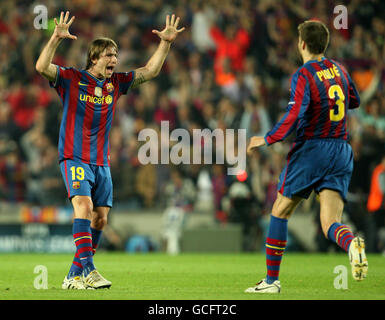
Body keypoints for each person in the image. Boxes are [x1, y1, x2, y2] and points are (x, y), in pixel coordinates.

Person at [35, 11, 185, 289]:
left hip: (100, 162)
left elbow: (150, 71)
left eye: (115, 54)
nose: (114, 59)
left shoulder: (116, 84)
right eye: (108, 54)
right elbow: (42, 66)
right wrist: (55, 38)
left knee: (101, 219)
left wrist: (166, 43)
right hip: (74, 156)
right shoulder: (71, 78)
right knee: (84, 206)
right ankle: (90, 270)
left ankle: (72, 276)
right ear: (94, 58)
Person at [245, 20, 367, 293]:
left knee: (279, 211)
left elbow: (293, 114)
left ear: (302, 43)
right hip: (341, 149)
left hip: (313, 150)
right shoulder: (339, 69)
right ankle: (352, 244)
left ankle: (271, 281)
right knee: (330, 223)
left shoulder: (304, 74)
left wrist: (266, 139)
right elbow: (354, 100)